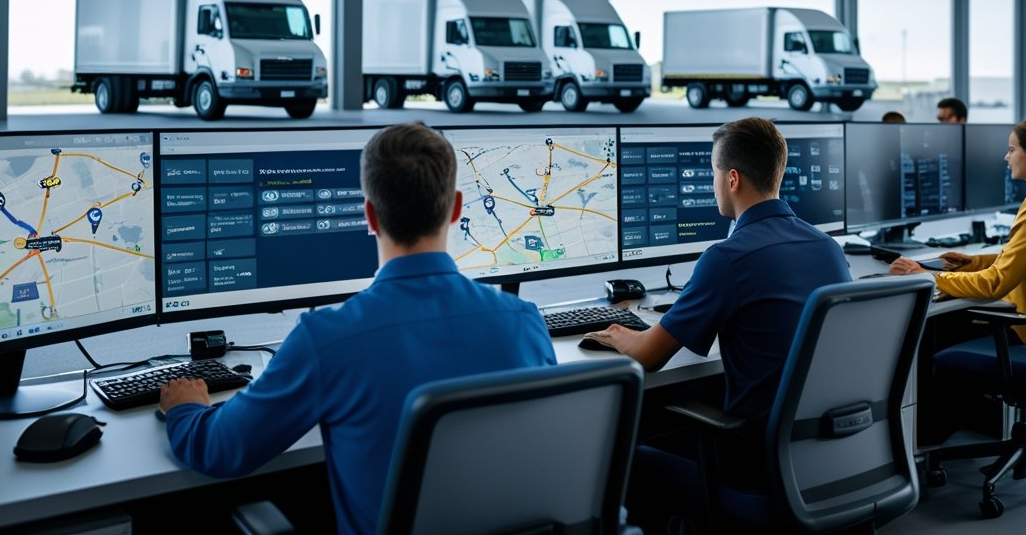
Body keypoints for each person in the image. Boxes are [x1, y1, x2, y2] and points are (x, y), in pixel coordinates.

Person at [159, 123, 556, 535]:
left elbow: (220, 450)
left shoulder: (327, 339)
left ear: (368, 215)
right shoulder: (524, 322)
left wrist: (185, 408)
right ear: (456, 209)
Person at [586, 117, 851, 496]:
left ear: (731, 179)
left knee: (629, 457)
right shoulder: (827, 248)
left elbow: (649, 356)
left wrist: (616, 333)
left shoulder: (727, 258)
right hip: (824, 457)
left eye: (713, 173)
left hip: (758, 464)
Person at [890, 117, 1026, 344]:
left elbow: (994, 283)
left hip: (1024, 327)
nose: (1006, 157)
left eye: (1012, 150)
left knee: (929, 329)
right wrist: (973, 263)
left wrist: (929, 277)